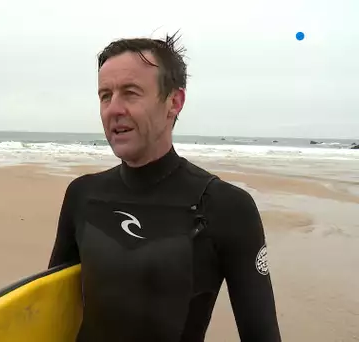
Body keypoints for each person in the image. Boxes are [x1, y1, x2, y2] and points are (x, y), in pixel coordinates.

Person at [48, 33, 282, 342]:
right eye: (105, 95)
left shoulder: (226, 206)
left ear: (174, 102)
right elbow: (50, 311)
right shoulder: (83, 195)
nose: (113, 109)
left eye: (130, 93)